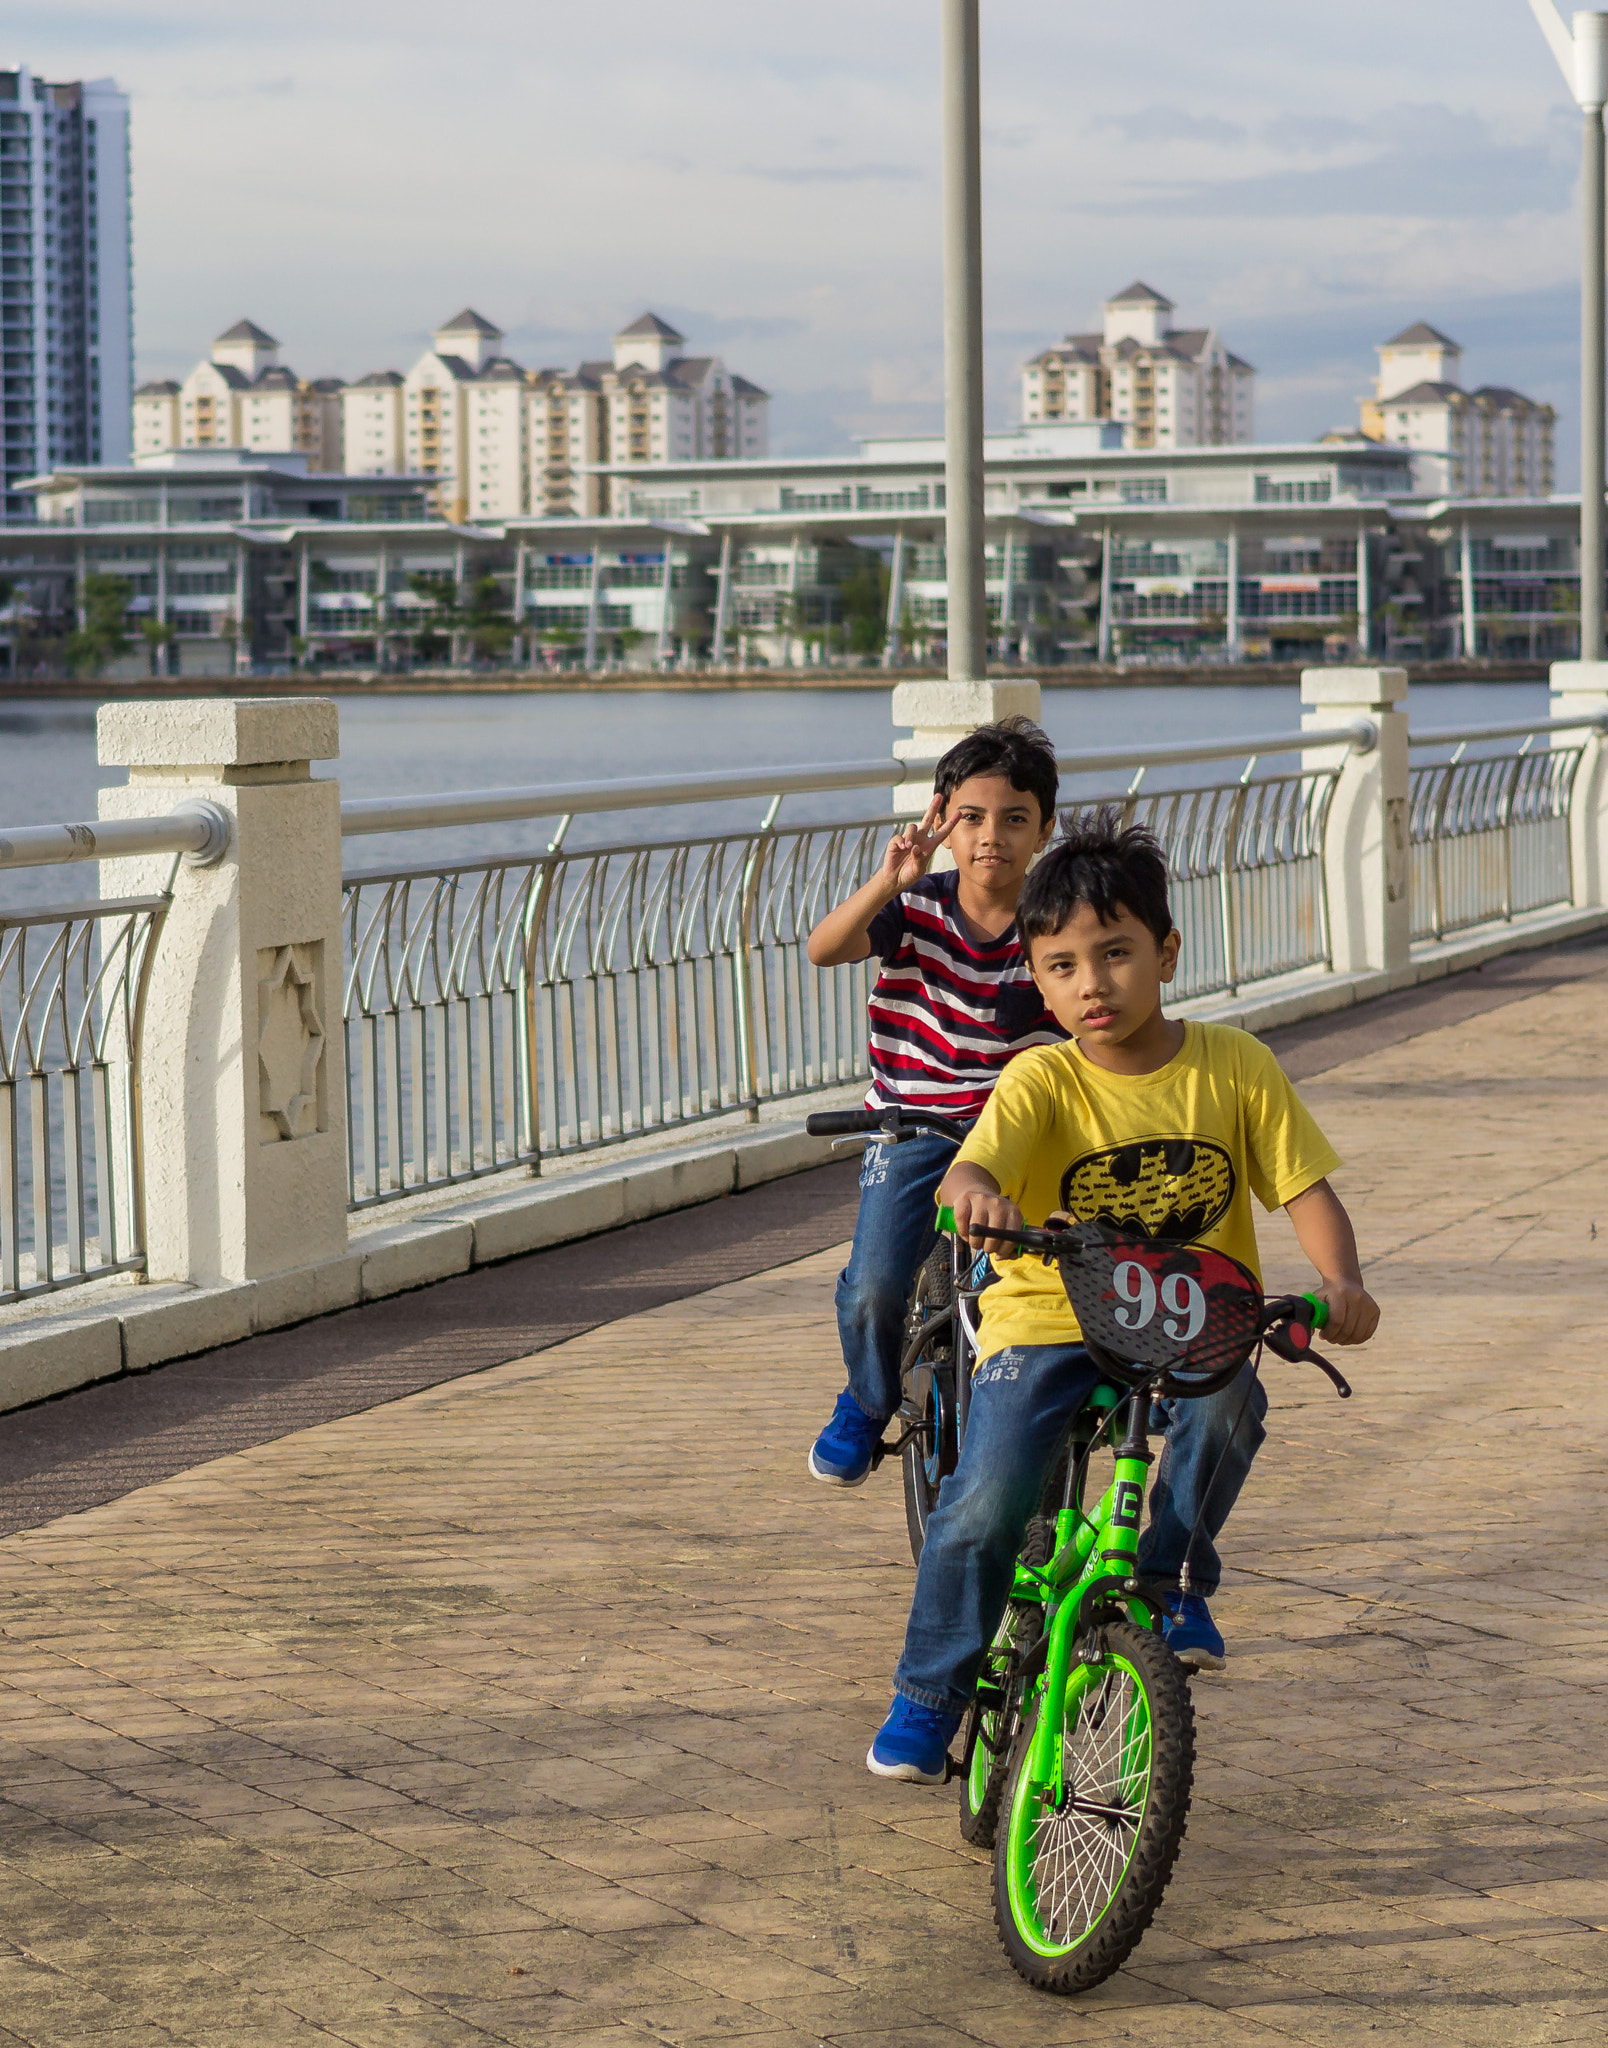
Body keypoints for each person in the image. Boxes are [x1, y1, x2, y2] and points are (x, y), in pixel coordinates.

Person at [866, 810, 1380, 1782]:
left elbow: (1305, 1187)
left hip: (1195, 1312)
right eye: (1060, 965)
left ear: (1167, 950)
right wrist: (974, 1194)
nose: (1091, 983)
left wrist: (1341, 1283)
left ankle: (1169, 1573)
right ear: (1037, 973)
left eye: (1115, 954)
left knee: (1234, 1403)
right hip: (1052, 1314)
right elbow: (966, 1171)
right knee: (985, 1498)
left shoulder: (1235, 1066)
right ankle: (930, 1692)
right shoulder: (1040, 1077)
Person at [804, 716, 1062, 1490]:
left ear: (1045, 829)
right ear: (942, 823)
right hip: (911, 1125)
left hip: (1015, 1134)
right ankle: (866, 1399)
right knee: (877, 1283)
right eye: (972, 818)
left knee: (1042, 1273)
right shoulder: (916, 910)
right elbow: (824, 949)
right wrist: (892, 878)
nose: (993, 837)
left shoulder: (1055, 922)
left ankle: (1029, 1412)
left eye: (1016, 819)